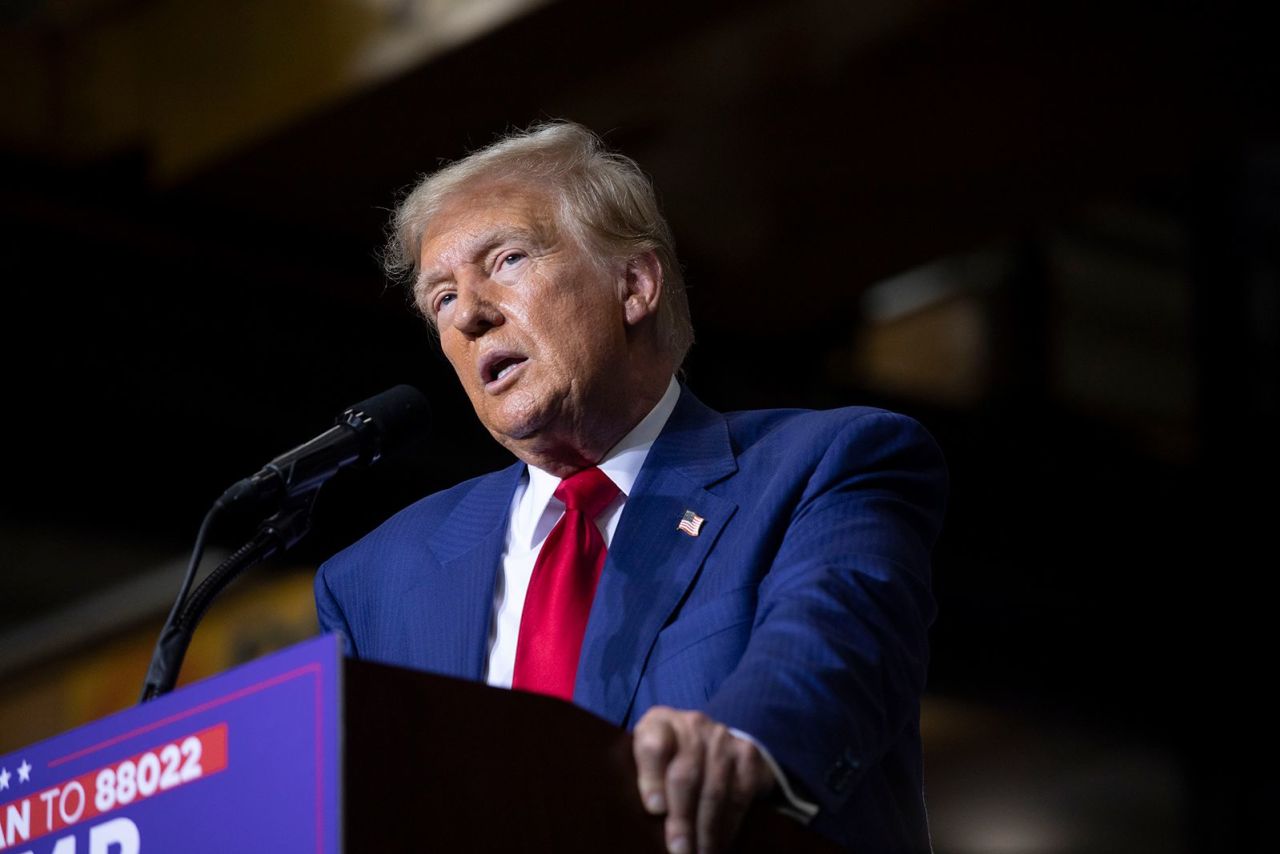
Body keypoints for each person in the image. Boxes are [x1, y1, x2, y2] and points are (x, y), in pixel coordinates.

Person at [314, 121, 947, 853]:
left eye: (508, 259)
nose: (472, 316)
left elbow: (833, 647)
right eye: (442, 300)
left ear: (634, 285)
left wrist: (737, 741)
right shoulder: (373, 582)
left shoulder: (823, 464)